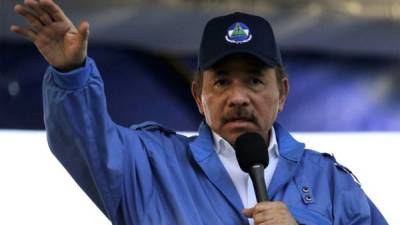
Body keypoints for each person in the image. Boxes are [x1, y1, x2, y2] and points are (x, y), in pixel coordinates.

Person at [11, 1, 388, 225]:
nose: (238, 97)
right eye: (222, 82)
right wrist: (71, 74)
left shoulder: (331, 184)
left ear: (282, 93)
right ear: (198, 95)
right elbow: (86, 142)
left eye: (255, 81)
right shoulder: (150, 167)